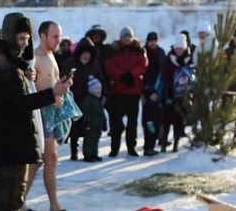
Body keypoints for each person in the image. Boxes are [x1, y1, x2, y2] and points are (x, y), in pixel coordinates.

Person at [0, 12, 72, 211]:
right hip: (8, 137)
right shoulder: (5, 66)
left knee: (16, 188)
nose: (24, 43)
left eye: (26, 38)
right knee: (7, 190)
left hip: (14, 135)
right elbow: (19, 102)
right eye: (20, 38)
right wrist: (52, 93)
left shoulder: (13, 63)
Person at [21, 20, 76, 211]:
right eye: (55, 36)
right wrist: (51, 97)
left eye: (59, 36)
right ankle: (52, 206)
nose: (58, 40)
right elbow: (29, 89)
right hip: (40, 116)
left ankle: (24, 204)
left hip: (50, 115)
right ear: (43, 36)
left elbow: (50, 83)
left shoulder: (51, 55)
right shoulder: (34, 57)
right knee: (44, 160)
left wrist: (63, 85)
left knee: (43, 162)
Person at [61, 37, 107, 162]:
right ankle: (74, 151)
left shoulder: (95, 64)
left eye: (88, 53)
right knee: (74, 127)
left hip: (91, 102)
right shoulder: (70, 64)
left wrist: (103, 96)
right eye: (84, 53)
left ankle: (91, 151)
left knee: (90, 127)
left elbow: (102, 80)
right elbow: (63, 80)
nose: (86, 55)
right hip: (74, 100)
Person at [105, 26, 147, 157]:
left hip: (134, 90)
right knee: (116, 122)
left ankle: (131, 147)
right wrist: (122, 76)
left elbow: (143, 64)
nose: (127, 39)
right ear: (121, 37)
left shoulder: (139, 49)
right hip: (118, 90)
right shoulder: (114, 49)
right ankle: (114, 148)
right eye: (124, 36)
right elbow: (110, 66)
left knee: (132, 122)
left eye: (129, 36)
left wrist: (132, 75)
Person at [160, 34, 194, 153]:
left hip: (183, 95)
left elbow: (191, 76)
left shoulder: (188, 60)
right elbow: (164, 75)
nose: (178, 50)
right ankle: (164, 142)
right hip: (170, 93)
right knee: (167, 120)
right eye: (177, 48)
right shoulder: (169, 59)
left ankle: (176, 143)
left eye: (181, 49)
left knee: (179, 120)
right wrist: (168, 89)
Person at [78, 76, 106, 162]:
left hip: (98, 124)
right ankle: (88, 155)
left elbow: (101, 112)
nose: (99, 91)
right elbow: (86, 113)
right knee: (89, 140)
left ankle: (94, 153)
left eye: (100, 89)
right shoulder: (88, 100)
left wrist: (104, 123)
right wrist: (87, 123)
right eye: (96, 89)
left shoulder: (98, 100)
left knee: (96, 139)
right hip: (90, 125)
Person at [140, 86, 164, 157]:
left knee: (154, 136)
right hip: (149, 124)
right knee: (149, 136)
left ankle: (151, 148)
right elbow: (146, 116)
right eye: (152, 96)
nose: (154, 97)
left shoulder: (157, 104)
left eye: (155, 95)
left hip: (156, 123)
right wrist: (148, 123)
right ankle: (148, 149)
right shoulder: (147, 105)